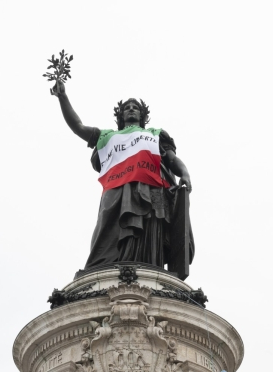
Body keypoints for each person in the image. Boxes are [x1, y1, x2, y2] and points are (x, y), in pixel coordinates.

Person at [52, 81, 195, 275]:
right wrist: (63, 97)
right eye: (127, 108)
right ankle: (104, 268)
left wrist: (184, 173)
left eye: (135, 108)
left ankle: (150, 269)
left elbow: (171, 159)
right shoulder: (107, 136)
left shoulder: (155, 134)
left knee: (150, 230)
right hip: (117, 188)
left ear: (142, 115)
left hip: (152, 188)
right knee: (108, 227)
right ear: (121, 116)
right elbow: (78, 127)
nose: (131, 110)